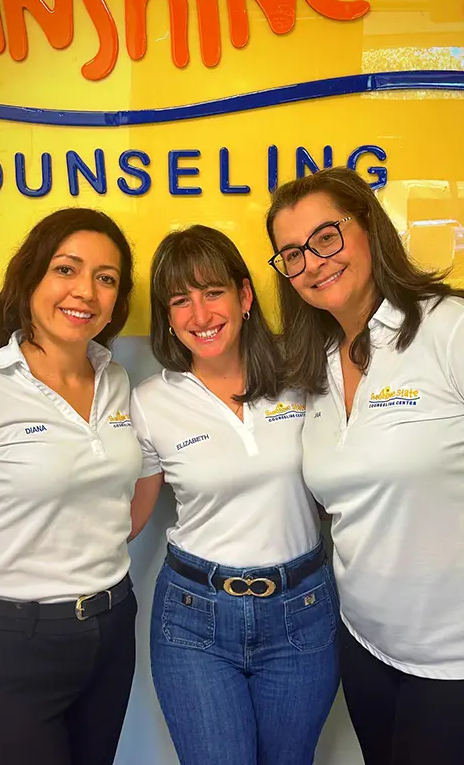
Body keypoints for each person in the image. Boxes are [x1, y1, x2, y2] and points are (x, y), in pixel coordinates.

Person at [265, 166, 464, 765]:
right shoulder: (318, 364)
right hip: (367, 643)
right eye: (291, 254)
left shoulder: (452, 331)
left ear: (368, 228)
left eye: (326, 237)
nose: (312, 262)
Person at [129, 225, 340, 765]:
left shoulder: (305, 376)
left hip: (304, 608)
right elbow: (130, 518)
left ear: (244, 296)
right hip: (195, 616)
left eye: (212, 292)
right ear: (168, 317)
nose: (200, 315)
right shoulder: (152, 402)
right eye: (181, 300)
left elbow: (345, 477)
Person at [0, 208, 142, 765]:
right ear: (30, 277)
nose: (86, 291)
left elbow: (126, 497)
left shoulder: (116, 379)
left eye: (106, 278)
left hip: (110, 629)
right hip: (4, 644)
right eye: (66, 269)